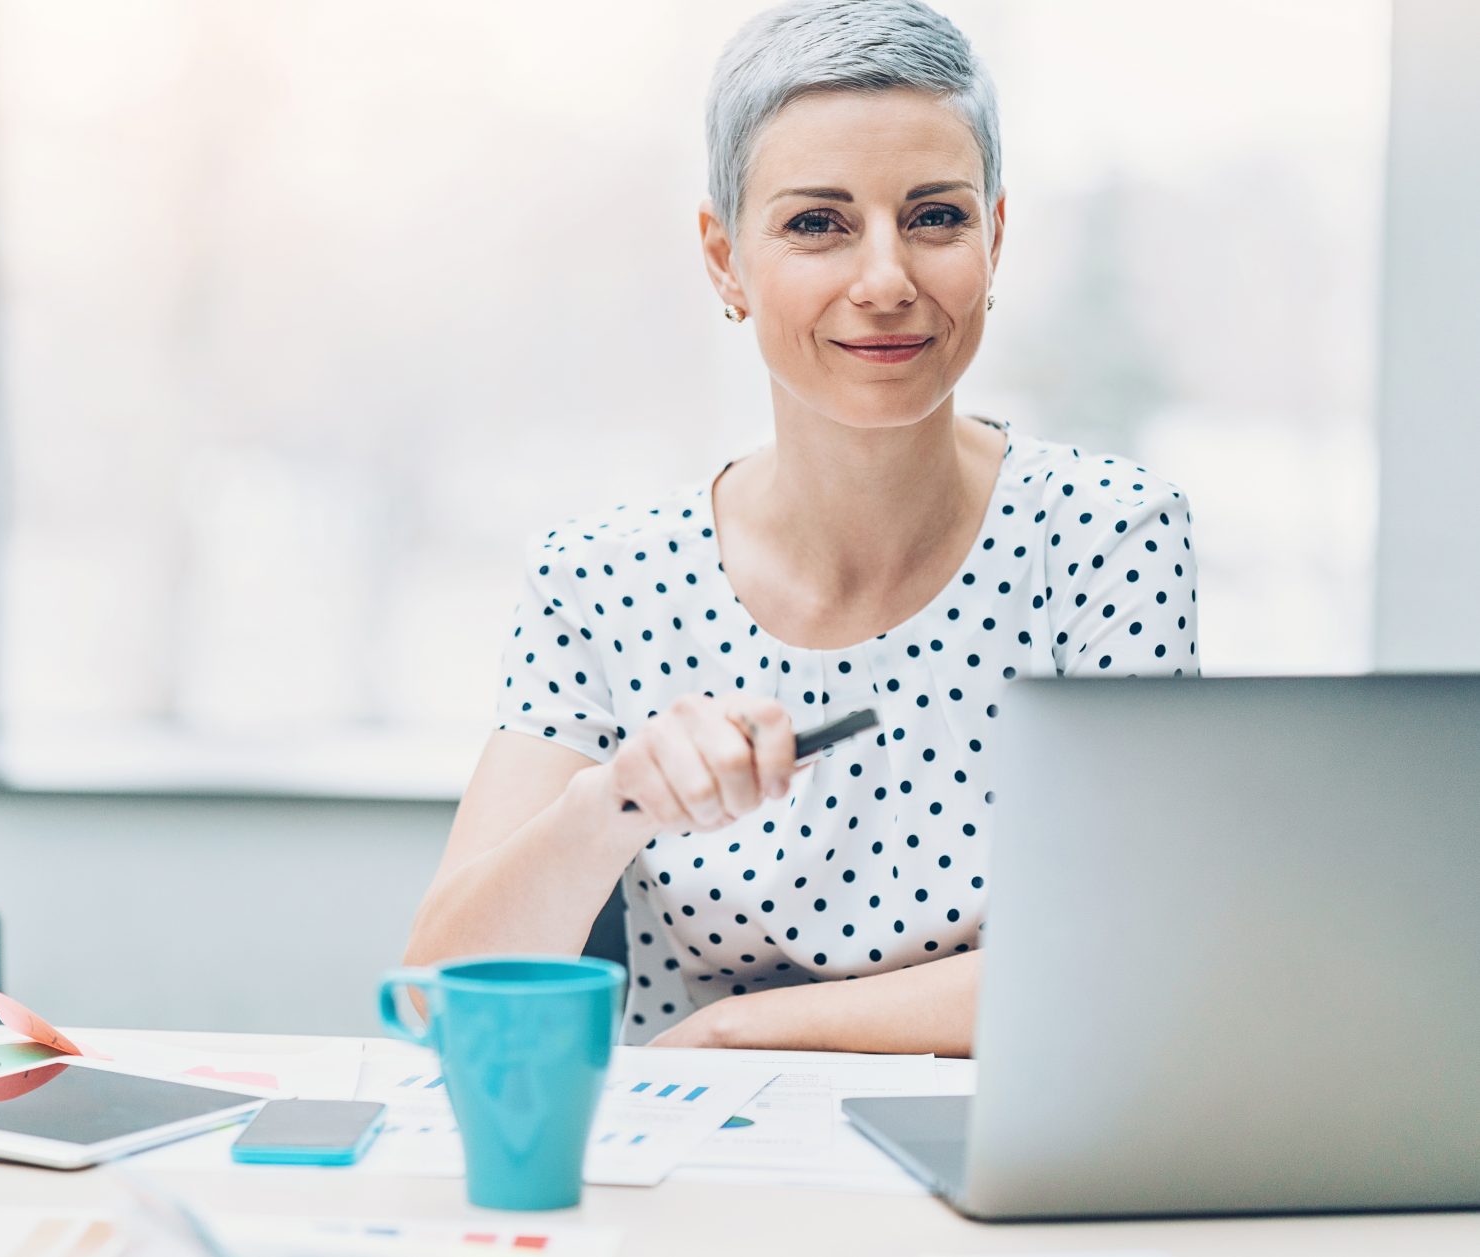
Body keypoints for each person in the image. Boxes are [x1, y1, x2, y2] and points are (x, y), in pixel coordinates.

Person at [405, 0, 1197, 1056]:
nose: (885, 281)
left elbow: (1126, 960)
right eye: (817, 224)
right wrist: (611, 807)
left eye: (935, 217)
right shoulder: (602, 578)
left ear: (994, 237)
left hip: (1008, 1173)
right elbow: (432, 1003)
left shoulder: (1107, 539)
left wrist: (740, 1029)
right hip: (691, 1189)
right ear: (724, 258)